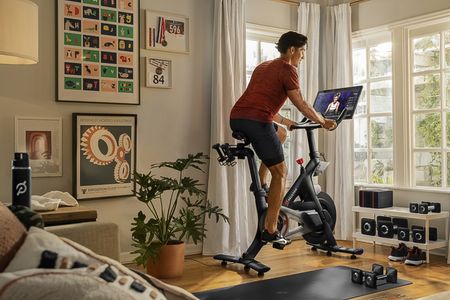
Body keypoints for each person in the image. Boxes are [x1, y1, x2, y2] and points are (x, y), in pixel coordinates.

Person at [229, 31, 337, 245]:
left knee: (281, 133)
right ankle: (270, 229)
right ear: (292, 50)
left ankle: (260, 181)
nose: (303, 56)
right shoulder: (288, 69)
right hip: (257, 121)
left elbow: (258, 102)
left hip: (238, 117)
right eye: (303, 51)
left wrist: (286, 122)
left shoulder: (263, 66)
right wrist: (323, 121)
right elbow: (302, 104)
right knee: (281, 172)